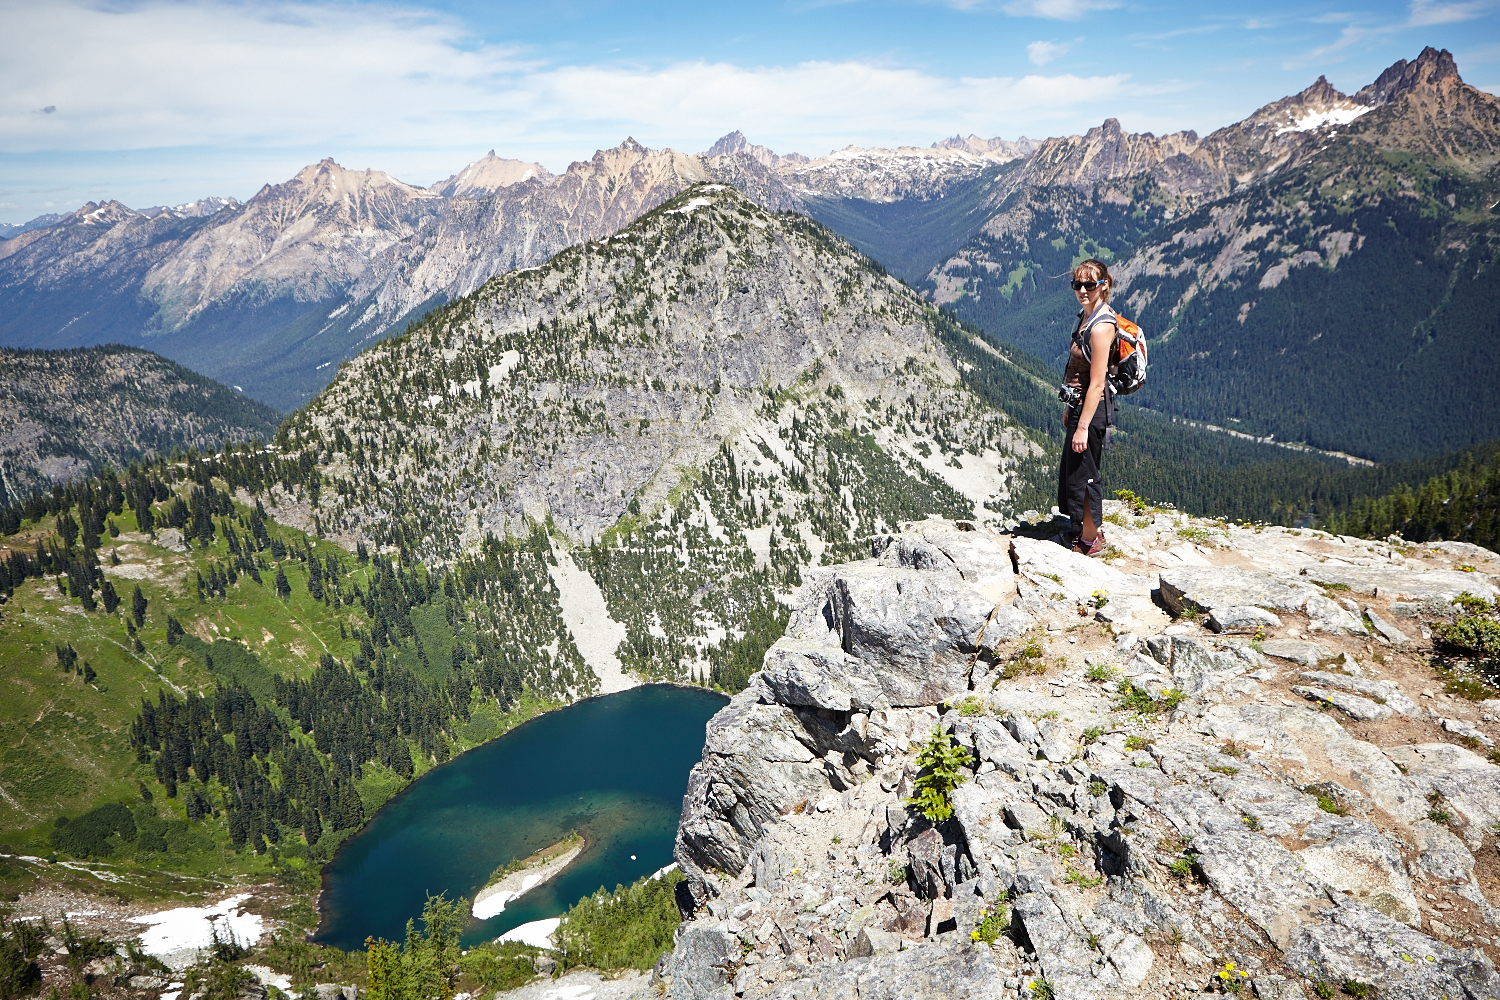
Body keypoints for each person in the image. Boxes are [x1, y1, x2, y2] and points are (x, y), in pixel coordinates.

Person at [1057, 259, 1116, 557]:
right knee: (1075, 471)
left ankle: (1091, 542)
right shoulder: (1086, 315)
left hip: (1091, 411)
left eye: (1089, 284)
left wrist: (1082, 426)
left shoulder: (1101, 326)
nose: (1082, 290)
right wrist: (1072, 409)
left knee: (1085, 474)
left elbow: (1095, 384)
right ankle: (1083, 529)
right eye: (1077, 284)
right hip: (1080, 407)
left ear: (1103, 285)